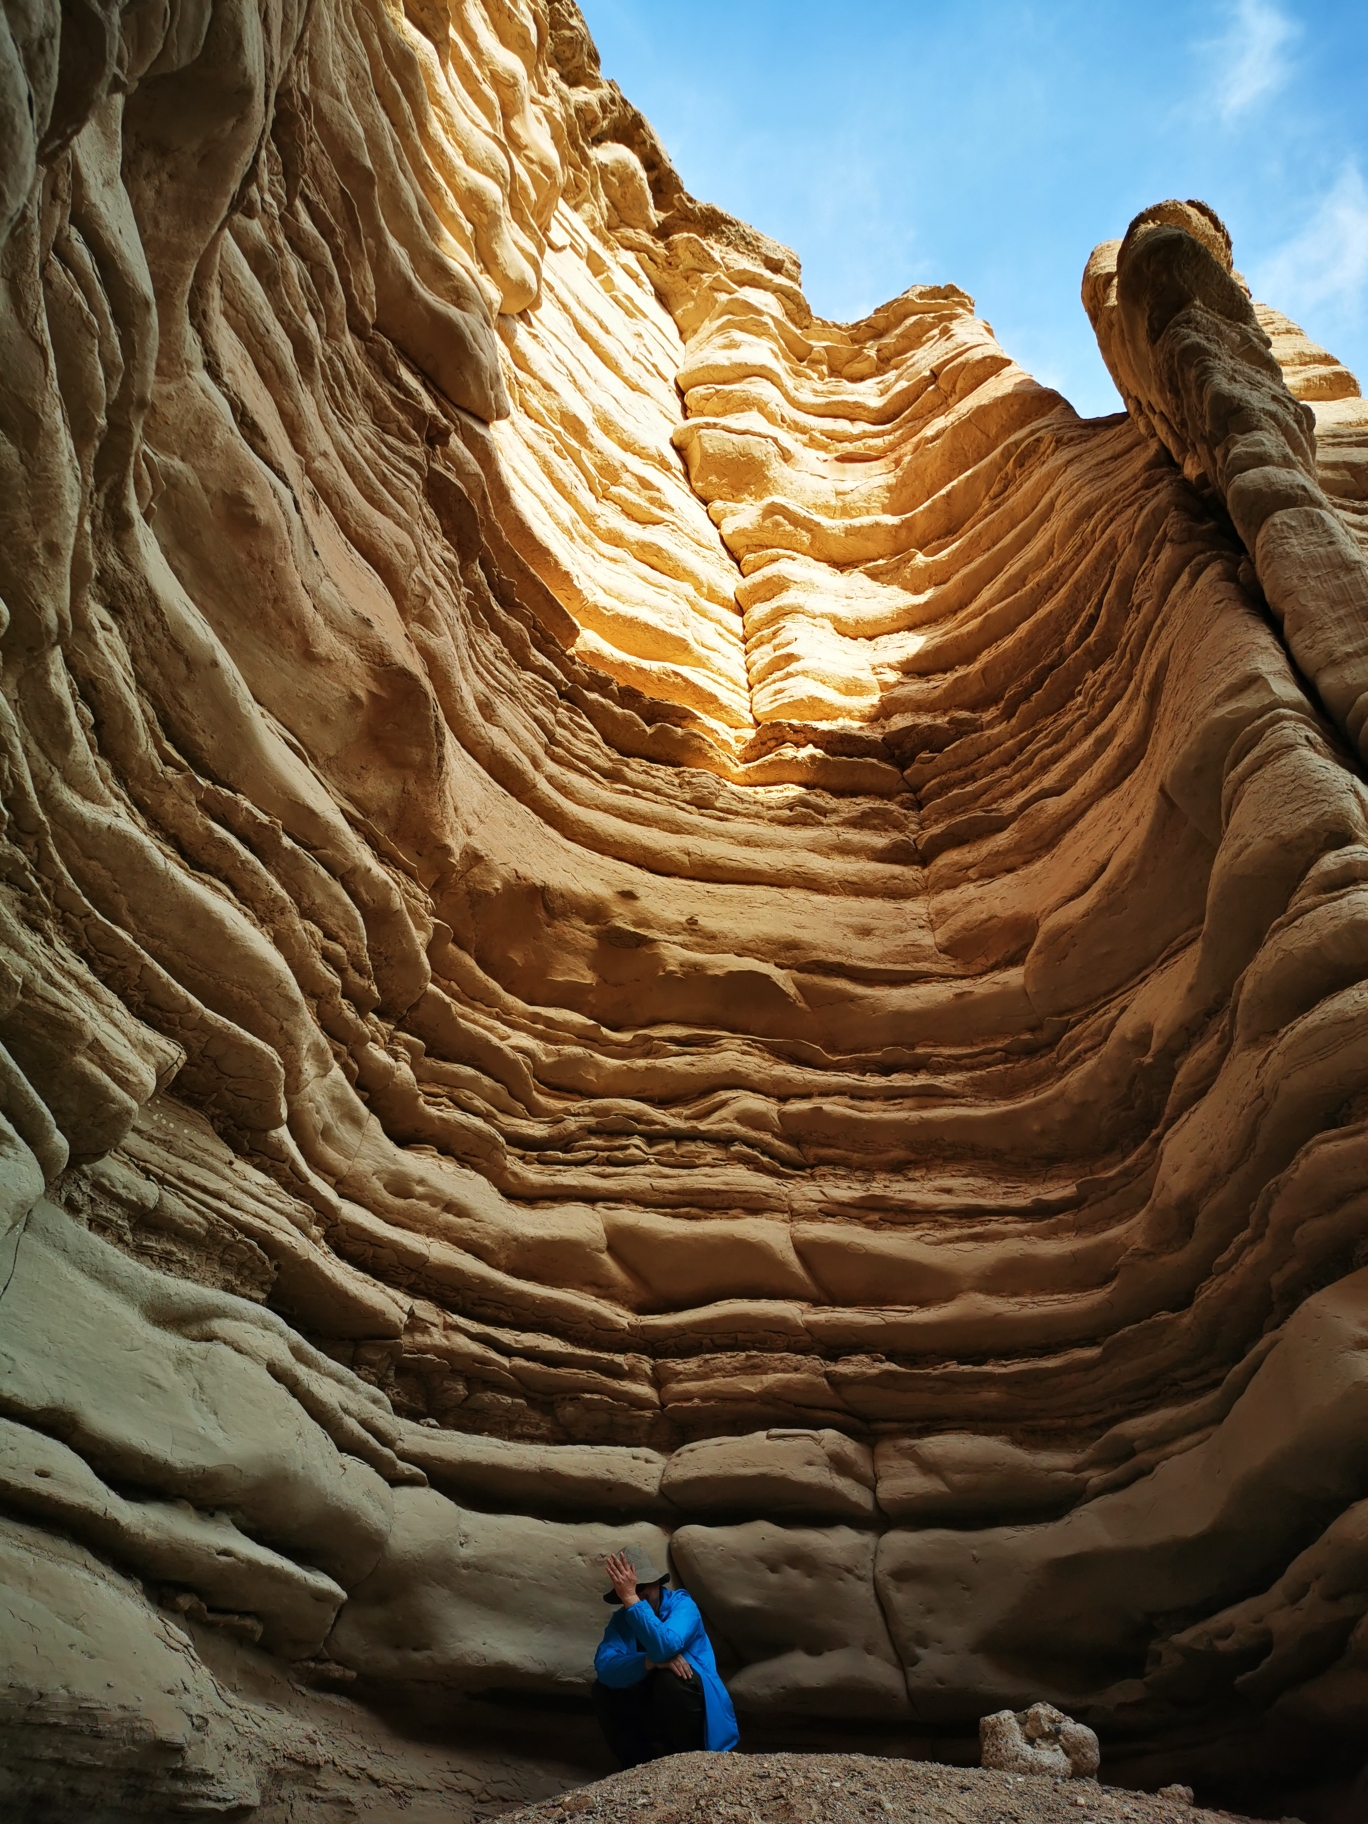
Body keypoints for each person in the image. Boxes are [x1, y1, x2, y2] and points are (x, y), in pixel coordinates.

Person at [591, 1547, 738, 1767]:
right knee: (602, 1689)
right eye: (631, 1590)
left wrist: (630, 1597)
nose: (638, 1594)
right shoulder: (621, 1622)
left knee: (671, 1680)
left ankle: (692, 1762)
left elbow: (666, 1646)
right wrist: (649, 1662)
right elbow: (605, 1667)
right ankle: (637, 1766)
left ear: (657, 1583)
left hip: (691, 1712)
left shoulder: (683, 1606)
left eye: (642, 1587)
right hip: (651, 1712)